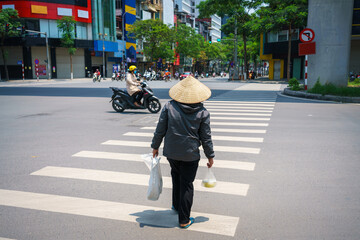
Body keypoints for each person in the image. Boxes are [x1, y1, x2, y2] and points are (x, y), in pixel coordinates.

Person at [151, 75, 215, 229]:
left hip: (172, 152)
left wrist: (155, 146)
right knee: (186, 184)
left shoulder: (169, 107)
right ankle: (184, 219)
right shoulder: (203, 112)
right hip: (190, 154)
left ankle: (176, 205)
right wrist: (210, 155)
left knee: (176, 175)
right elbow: (206, 137)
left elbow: (160, 129)